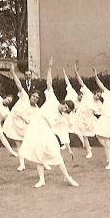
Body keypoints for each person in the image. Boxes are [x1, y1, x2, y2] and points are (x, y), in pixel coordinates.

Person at [19, 57, 79, 188]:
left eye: (67, 110)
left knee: (56, 153)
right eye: (65, 107)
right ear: (63, 103)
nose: (64, 109)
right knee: (38, 153)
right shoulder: (53, 100)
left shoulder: (62, 117)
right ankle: (41, 179)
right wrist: (50, 67)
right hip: (36, 125)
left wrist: (69, 149)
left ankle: (67, 177)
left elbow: (64, 133)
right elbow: (49, 84)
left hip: (47, 130)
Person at [4, 63, 41, 171]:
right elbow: (18, 84)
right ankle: (22, 164)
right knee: (18, 145)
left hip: (25, 127)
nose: (34, 98)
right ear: (30, 96)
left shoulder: (36, 109)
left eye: (37, 98)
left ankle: (42, 162)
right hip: (15, 123)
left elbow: (38, 121)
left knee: (34, 145)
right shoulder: (24, 96)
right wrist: (13, 72)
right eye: (33, 96)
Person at [73, 64, 101, 159]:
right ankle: (89, 152)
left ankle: (108, 149)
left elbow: (99, 112)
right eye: (97, 95)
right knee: (84, 135)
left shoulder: (98, 103)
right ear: (94, 93)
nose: (98, 97)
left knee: (99, 134)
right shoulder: (87, 93)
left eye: (99, 96)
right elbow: (81, 82)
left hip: (90, 119)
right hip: (81, 117)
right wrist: (76, 72)